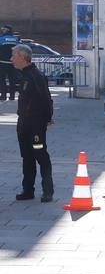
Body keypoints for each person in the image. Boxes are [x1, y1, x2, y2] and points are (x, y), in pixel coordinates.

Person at [12, 44, 54, 202]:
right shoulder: (23, 74)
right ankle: (28, 190)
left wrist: (48, 117)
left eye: (13, 55)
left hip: (35, 124)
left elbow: (46, 98)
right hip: (23, 123)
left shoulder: (36, 75)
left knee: (40, 154)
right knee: (26, 156)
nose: (11, 59)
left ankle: (48, 191)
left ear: (22, 57)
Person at [0, 25, 19, 102]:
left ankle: (3, 96)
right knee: (12, 80)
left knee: (2, 80)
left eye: (4, 29)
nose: (2, 30)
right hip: (13, 63)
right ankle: (12, 96)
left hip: (2, 62)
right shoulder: (16, 39)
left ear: (7, 30)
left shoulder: (1, 39)